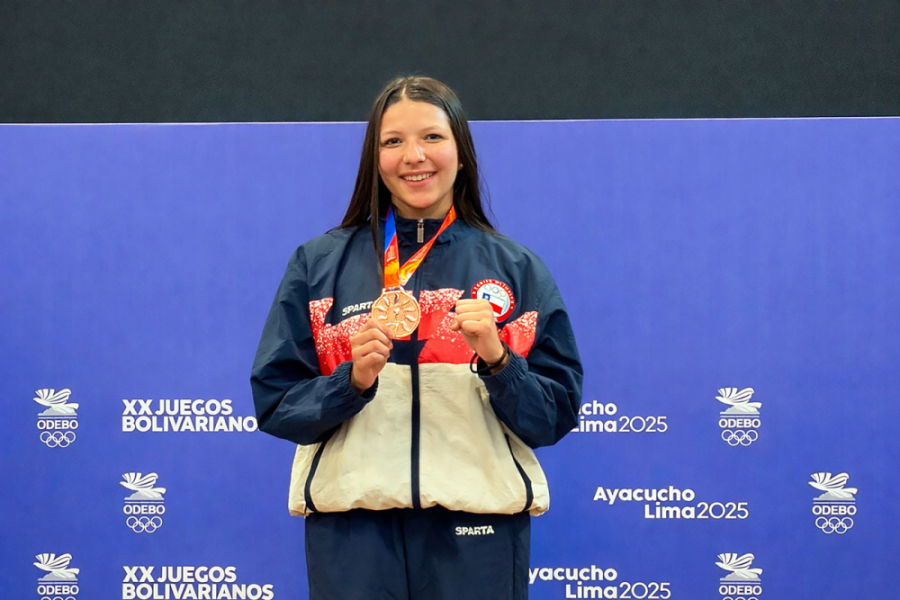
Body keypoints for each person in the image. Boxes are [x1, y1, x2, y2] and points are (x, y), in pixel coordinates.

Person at [251, 76, 583, 600]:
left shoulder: (516, 270)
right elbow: (276, 405)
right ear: (374, 158)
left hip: (477, 529)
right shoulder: (318, 265)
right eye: (393, 141)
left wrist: (498, 359)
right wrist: (352, 382)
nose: (414, 156)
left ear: (461, 151)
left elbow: (554, 416)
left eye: (432, 137)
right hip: (353, 530)